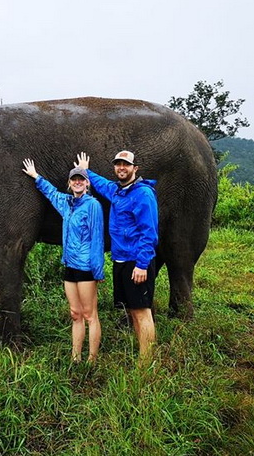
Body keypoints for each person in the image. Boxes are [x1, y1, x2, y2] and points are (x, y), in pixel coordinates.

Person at [75, 150, 158, 360]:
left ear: (135, 168)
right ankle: (142, 355)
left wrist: (141, 264)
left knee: (142, 311)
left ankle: (146, 363)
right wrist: (86, 172)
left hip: (136, 261)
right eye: (118, 164)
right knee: (132, 309)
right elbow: (103, 185)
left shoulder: (143, 194)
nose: (122, 168)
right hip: (120, 260)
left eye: (126, 164)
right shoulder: (118, 191)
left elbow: (149, 233)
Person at [22, 158, 105, 363]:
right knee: (75, 313)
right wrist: (36, 176)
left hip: (86, 268)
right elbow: (50, 193)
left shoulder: (93, 205)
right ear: (69, 183)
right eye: (74, 179)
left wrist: (98, 270)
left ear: (87, 184)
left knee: (90, 315)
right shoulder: (67, 204)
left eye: (81, 179)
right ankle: (75, 358)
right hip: (69, 266)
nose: (77, 182)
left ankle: (91, 360)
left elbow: (98, 239)